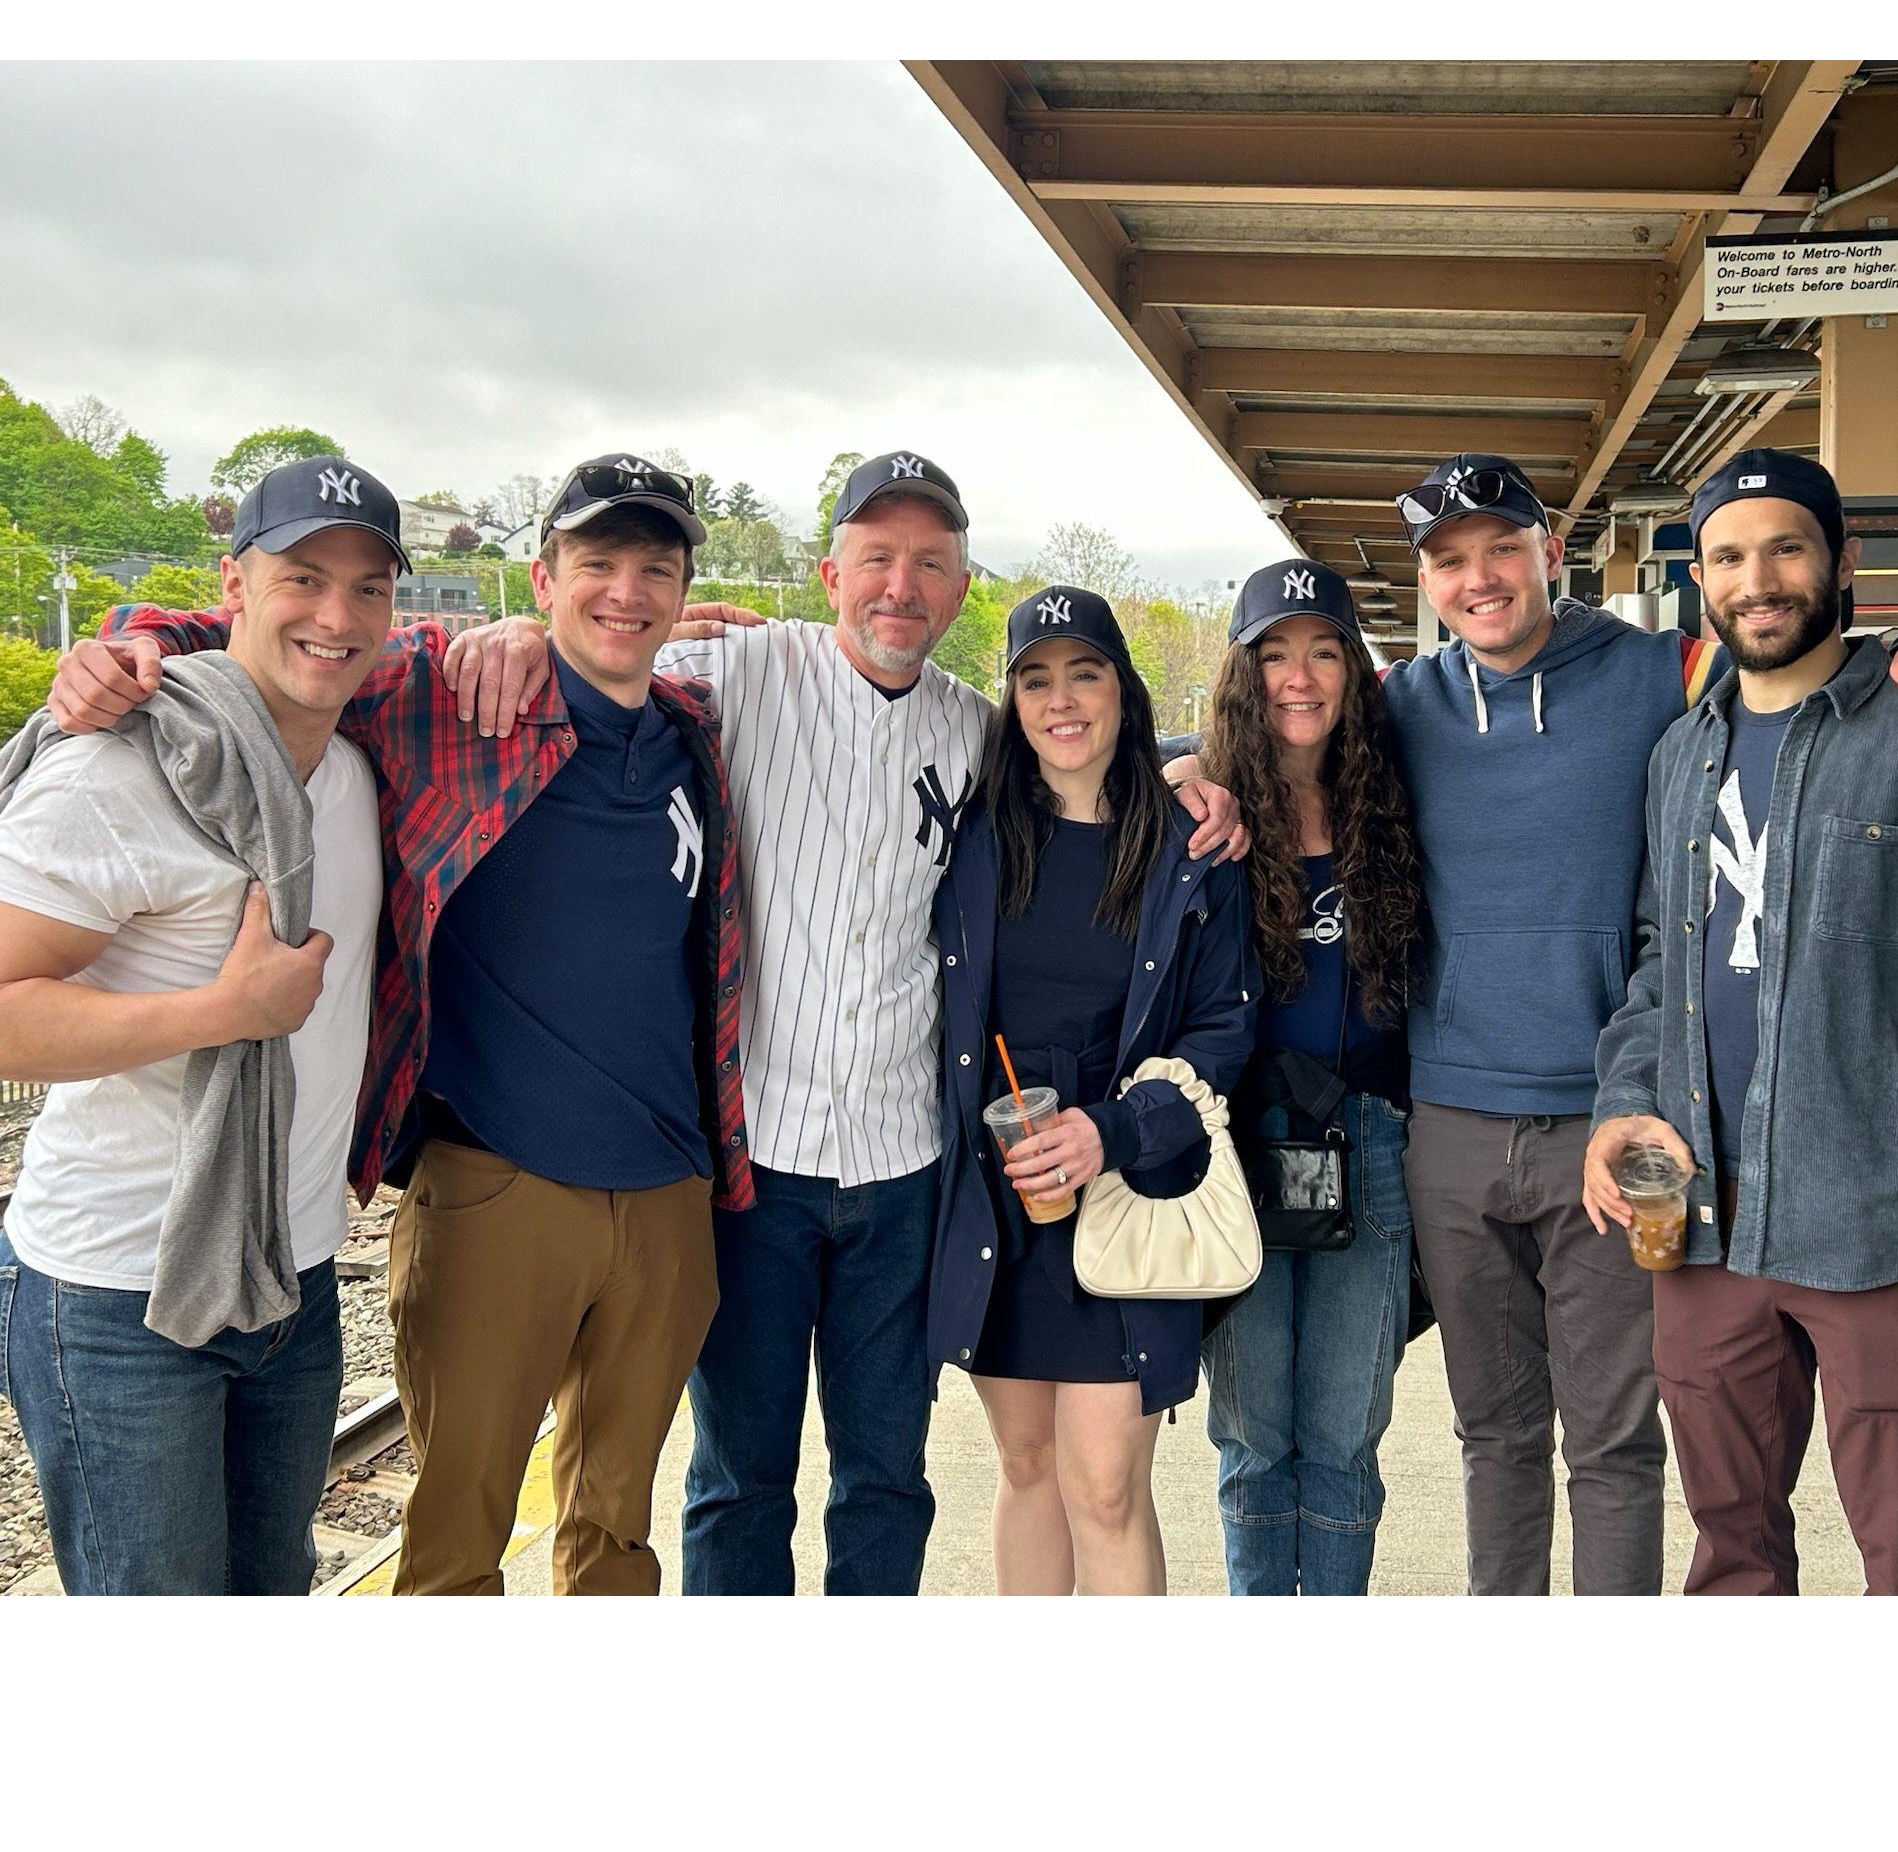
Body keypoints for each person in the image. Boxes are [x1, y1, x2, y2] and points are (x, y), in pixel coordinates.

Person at [443, 452, 1244, 1595]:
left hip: (906, 1169)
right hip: (753, 1163)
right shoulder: (730, 668)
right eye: (874, 557)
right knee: (739, 1473)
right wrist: (515, 636)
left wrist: (1189, 769)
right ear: (827, 572)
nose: (898, 586)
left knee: (884, 1475)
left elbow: (1091, 768)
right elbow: (594, 636)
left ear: (960, 587)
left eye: (928, 563)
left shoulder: (979, 732)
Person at [41, 453, 751, 1596]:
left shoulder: (692, 728)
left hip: (669, 1186)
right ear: (541, 577)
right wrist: (131, 643)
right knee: (456, 1542)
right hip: (494, 1179)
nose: (625, 591)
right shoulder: (441, 693)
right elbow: (277, 641)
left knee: (617, 1532)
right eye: (596, 563)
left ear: (678, 593)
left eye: (652, 569)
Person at [1371, 452, 1898, 1595]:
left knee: (1631, 1453)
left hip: (1669, 1148)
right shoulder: (1402, 704)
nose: (1479, 577)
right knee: (1517, 1445)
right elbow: (1278, 745)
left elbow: (1796, 656)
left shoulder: (1667, 673)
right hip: (1502, 1131)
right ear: (1424, 580)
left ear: (1551, 551)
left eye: (1502, 546)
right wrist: (1197, 762)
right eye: (1448, 560)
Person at [1586, 449, 1898, 1596]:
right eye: (1728, 556)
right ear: (1701, 579)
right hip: (1699, 1230)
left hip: (1881, 1235)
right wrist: (1618, 1108)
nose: (1758, 579)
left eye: (1785, 547)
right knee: (1729, 1550)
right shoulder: (1676, 758)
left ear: (1842, 559)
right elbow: (1658, 966)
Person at [0, 459, 401, 1593]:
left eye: (369, 588)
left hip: (293, 1274)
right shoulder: (120, 766)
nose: (337, 616)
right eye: (303, 577)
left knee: (271, 1593)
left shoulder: (358, 771)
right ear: (232, 581)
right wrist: (222, 1014)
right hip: (119, 1292)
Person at [928, 586, 1257, 1594]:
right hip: (1001, 1201)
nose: (1060, 699)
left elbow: (1223, 1028)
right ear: (1011, 701)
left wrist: (1110, 1130)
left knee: (1105, 1483)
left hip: (1122, 1197)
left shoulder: (1189, 848)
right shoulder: (973, 833)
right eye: (1034, 677)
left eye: (1084, 672)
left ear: (1124, 689)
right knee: (1026, 1469)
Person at [1185, 559, 1424, 1595]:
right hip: (1234, 1146)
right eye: (1273, 652)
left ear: (1351, 669)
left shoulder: (1397, 796)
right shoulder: (1202, 808)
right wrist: (1164, 772)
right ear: (1243, 673)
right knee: (1251, 1437)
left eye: (1322, 649)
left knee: (1340, 1437)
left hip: (1364, 1140)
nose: (1299, 675)